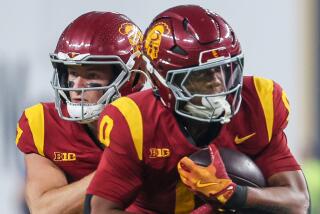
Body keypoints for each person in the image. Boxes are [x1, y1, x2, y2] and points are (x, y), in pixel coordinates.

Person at [86, 5, 310, 213]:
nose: (218, 83)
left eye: (224, 68)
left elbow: (298, 201)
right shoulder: (134, 120)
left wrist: (235, 194)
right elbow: (100, 209)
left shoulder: (258, 103)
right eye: (200, 74)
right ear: (161, 80)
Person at [15, 11, 144, 213]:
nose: (76, 87)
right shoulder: (43, 123)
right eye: (73, 73)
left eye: (92, 74)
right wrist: (119, 167)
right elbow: (44, 209)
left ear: (134, 78)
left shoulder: (157, 122)